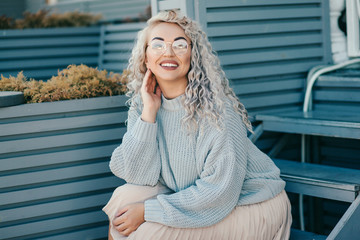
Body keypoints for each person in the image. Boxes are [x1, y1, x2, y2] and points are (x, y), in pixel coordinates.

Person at [103, 9, 292, 240]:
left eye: (180, 45)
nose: (169, 52)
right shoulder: (143, 107)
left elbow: (218, 194)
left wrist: (148, 211)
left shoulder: (216, 112)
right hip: (194, 198)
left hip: (251, 205)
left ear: (193, 55)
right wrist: (149, 114)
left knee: (148, 233)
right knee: (123, 199)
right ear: (145, 56)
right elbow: (138, 175)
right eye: (158, 44)